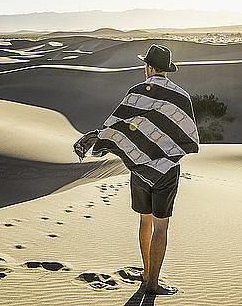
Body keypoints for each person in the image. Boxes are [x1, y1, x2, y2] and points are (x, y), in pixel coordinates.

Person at [73, 44, 199, 295]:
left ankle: (145, 273)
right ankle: (152, 282)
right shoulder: (180, 96)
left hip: (139, 169)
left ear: (150, 67)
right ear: (166, 70)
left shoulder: (137, 93)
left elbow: (118, 124)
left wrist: (99, 139)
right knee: (161, 227)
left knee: (145, 221)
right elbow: (187, 133)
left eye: (146, 64)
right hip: (166, 170)